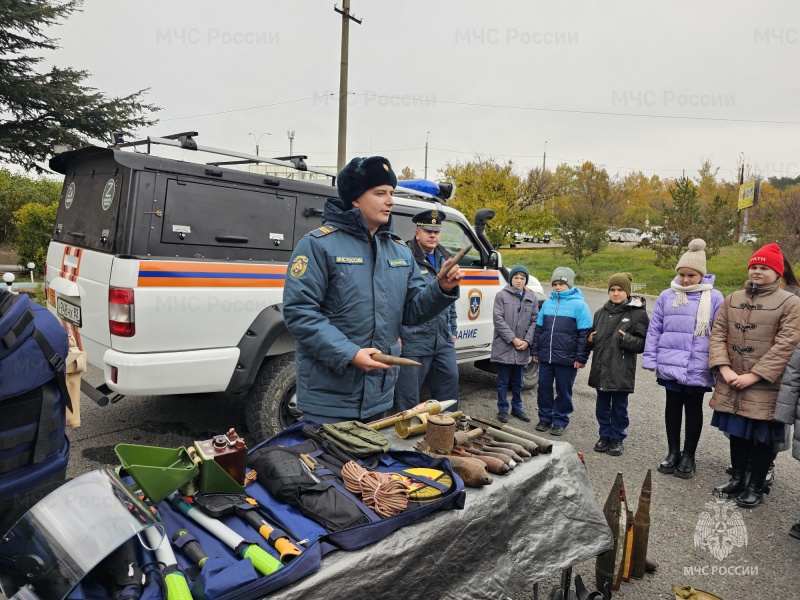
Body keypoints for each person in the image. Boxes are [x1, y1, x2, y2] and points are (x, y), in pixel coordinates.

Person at [283, 156, 462, 424]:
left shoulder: (399, 250)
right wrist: (350, 353)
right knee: (331, 465)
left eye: (391, 193)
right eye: (380, 193)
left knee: (369, 465)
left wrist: (441, 289)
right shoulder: (317, 246)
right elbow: (299, 313)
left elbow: (412, 312)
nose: (390, 200)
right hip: (330, 399)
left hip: (380, 394)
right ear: (355, 198)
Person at [709, 243, 800, 508]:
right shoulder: (733, 298)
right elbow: (718, 334)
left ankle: (756, 485)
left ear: (777, 272)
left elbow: (787, 344)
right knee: (737, 432)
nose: (757, 271)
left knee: (763, 436)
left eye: (764, 267)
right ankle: (737, 478)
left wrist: (755, 375)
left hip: (766, 385)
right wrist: (724, 368)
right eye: (754, 267)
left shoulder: (791, 302)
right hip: (733, 378)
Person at [643, 239, 724, 479]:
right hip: (671, 362)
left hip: (698, 365)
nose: (686, 280)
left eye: (691, 275)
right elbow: (655, 328)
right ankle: (672, 452)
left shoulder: (715, 297)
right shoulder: (667, 295)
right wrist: (651, 358)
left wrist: (718, 366)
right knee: (672, 407)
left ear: (701, 274)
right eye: (682, 274)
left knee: (693, 409)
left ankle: (689, 455)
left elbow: (720, 332)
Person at [394, 209, 459, 412]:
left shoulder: (445, 258)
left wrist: (453, 329)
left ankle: (444, 435)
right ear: (417, 232)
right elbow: (396, 300)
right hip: (413, 339)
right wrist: (395, 334)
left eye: (436, 231)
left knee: (449, 393)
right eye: (427, 230)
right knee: (407, 398)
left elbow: (450, 298)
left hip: (442, 339)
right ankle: (406, 440)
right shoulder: (404, 256)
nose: (433, 235)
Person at [586, 273, 650, 457]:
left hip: (621, 370)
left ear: (627, 292)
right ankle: (604, 435)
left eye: (620, 290)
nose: (615, 293)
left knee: (619, 408)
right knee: (602, 405)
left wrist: (627, 339)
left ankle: (617, 438)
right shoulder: (600, 313)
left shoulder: (637, 314)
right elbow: (592, 336)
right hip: (601, 368)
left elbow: (642, 343)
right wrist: (589, 339)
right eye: (612, 290)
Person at [531, 266, 592, 435]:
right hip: (546, 356)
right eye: (555, 284)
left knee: (563, 390)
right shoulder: (548, 303)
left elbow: (584, 335)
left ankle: (560, 419)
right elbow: (539, 330)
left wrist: (581, 357)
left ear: (569, 285)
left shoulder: (580, 305)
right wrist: (535, 351)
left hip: (567, 358)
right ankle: (545, 417)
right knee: (543, 387)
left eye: (561, 284)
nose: (557, 287)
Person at [491, 265, 539, 423]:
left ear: (526, 280)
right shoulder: (501, 296)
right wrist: (513, 339)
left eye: (522, 278)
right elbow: (498, 320)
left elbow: (534, 321)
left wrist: (527, 341)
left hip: (522, 347)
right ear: (511, 279)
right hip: (505, 345)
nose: (519, 280)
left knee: (518, 382)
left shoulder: (531, 297)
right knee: (503, 381)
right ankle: (503, 409)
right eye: (516, 277)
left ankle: (517, 408)